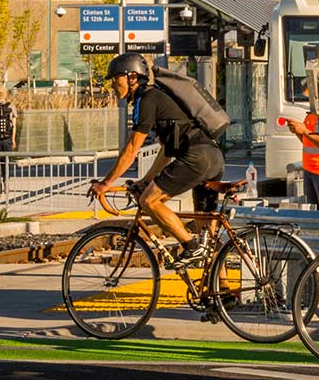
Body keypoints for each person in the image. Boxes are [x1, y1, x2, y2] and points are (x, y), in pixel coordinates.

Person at [88, 53, 225, 270]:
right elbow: (166, 151)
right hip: (213, 157)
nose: (113, 85)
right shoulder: (159, 98)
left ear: (132, 77)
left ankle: (190, 246)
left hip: (196, 158)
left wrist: (105, 183)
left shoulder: (147, 99)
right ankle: (222, 291)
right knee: (206, 232)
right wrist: (146, 180)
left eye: (116, 79)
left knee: (149, 201)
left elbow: (132, 148)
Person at [0, 87, 18, 195]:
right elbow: (14, 125)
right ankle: (6, 184)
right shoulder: (11, 107)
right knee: (6, 163)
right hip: (7, 139)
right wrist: (13, 139)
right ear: (5, 94)